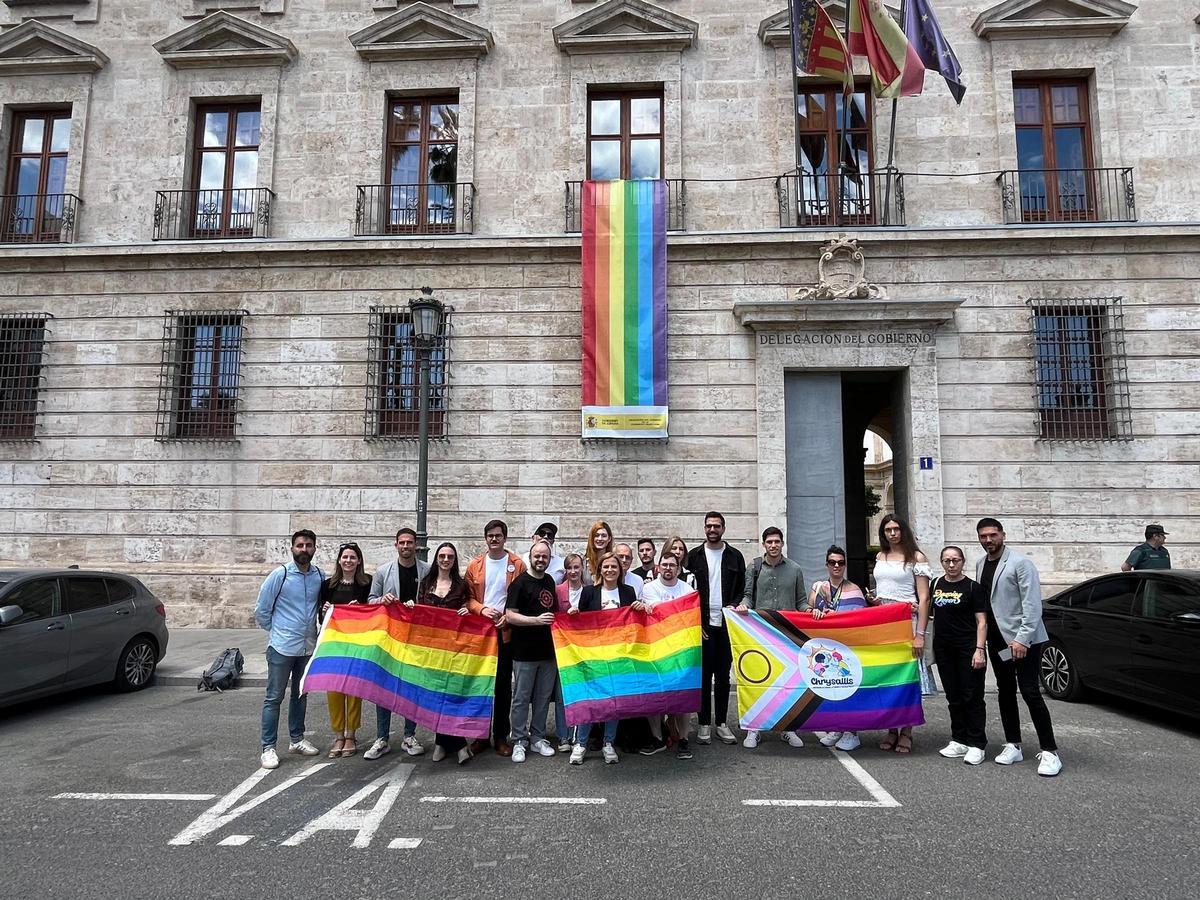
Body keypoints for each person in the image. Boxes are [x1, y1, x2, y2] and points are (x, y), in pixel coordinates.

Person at [976, 517, 1062, 777]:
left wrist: (1022, 639)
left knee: (1030, 692)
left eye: (992, 535)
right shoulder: (981, 564)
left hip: (1024, 641)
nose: (988, 540)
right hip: (999, 641)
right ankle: (1013, 744)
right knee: (1005, 691)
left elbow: (1033, 605)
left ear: (1003, 534)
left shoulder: (1021, 563)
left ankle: (1050, 751)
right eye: (983, 536)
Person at [254, 529, 324, 769]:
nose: (304, 550)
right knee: (274, 697)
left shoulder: (319, 576)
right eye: (300, 545)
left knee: (301, 695)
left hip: (307, 647)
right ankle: (268, 747)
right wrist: (277, 631)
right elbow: (262, 610)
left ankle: (297, 739)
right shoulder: (280, 575)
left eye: (308, 545)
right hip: (282, 647)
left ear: (315, 548)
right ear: (292, 548)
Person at [735, 527, 807, 751]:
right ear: (764, 544)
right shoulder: (754, 567)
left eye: (777, 541)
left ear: (782, 544)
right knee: (759, 679)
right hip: (761, 632)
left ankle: (788, 728)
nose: (773, 545)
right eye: (769, 542)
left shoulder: (795, 569)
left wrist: (810, 611)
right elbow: (748, 595)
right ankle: (754, 728)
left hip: (787, 634)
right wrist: (744, 605)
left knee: (789, 683)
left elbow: (801, 600)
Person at [407, 542, 476, 765]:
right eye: (442, 556)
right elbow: (420, 611)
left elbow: (469, 607)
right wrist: (411, 607)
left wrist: (466, 610)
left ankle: (443, 744)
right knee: (436, 695)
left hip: (455, 649)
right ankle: (457, 745)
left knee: (452, 695)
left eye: (450, 557)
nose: (446, 560)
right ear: (437, 558)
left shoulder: (461, 585)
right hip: (431, 649)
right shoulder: (426, 583)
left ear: (454, 561)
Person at [364, 528, 429, 761]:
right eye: (402, 542)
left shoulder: (427, 570)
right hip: (390, 637)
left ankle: (409, 735)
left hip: (415, 638)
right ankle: (382, 738)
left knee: (411, 687)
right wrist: (383, 600)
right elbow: (371, 600)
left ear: (415, 545)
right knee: (385, 686)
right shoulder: (383, 571)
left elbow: (431, 602)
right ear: (396, 545)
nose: (406, 546)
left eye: (410, 542)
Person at [568, 552, 637, 764]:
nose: (609, 570)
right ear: (600, 570)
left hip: (619, 656)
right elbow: (581, 621)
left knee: (613, 701)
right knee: (590, 699)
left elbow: (634, 622)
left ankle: (608, 743)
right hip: (594, 655)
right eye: (606, 567)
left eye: (614, 567)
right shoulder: (589, 592)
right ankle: (580, 743)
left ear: (620, 570)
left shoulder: (628, 592)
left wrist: (641, 608)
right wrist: (573, 613)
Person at [466, 519, 526, 756]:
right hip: (481, 632)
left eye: (498, 535)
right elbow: (468, 598)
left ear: (505, 537)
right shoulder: (475, 565)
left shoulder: (517, 564)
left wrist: (509, 617)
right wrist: (482, 610)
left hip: (505, 631)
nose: (494, 539)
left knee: (502, 686)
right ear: (485, 538)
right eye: (490, 536)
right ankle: (480, 735)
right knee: (482, 685)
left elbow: (522, 597)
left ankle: (501, 736)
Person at [872, 514, 932, 754]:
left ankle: (906, 731)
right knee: (889, 677)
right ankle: (891, 728)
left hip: (907, 620)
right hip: (883, 620)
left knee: (907, 678)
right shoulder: (880, 555)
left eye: (896, 529)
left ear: (903, 530)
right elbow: (884, 587)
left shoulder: (916, 557)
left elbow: (924, 597)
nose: (892, 533)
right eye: (888, 530)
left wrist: (920, 634)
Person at [925, 546, 988, 766]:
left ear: (963, 562)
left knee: (972, 696)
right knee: (953, 696)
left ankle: (977, 743)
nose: (951, 565)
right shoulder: (936, 584)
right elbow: (928, 612)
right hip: (944, 650)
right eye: (947, 561)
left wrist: (980, 650)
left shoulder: (973, 587)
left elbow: (982, 621)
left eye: (956, 560)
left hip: (968, 649)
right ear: (941, 562)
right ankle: (959, 739)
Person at [686, 511, 746, 746]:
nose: (713, 530)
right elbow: (687, 593)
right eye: (709, 526)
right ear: (704, 528)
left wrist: (733, 606)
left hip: (726, 626)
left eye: (717, 526)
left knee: (722, 676)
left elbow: (741, 589)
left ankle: (721, 723)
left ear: (723, 528)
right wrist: (695, 623)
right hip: (702, 627)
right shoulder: (694, 556)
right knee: (703, 677)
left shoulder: (735, 556)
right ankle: (703, 724)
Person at [808, 544, 871, 752]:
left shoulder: (854, 590)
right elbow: (809, 612)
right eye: (833, 562)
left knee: (848, 689)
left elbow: (860, 620)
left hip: (847, 649)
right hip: (825, 648)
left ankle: (851, 732)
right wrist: (814, 611)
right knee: (831, 690)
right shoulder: (818, 587)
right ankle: (837, 727)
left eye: (841, 563)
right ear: (827, 565)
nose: (837, 566)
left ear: (845, 566)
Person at [639, 550, 697, 760]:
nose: (668, 568)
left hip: (682, 651)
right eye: (664, 565)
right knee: (653, 695)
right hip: (655, 649)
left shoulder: (688, 589)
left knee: (683, 698)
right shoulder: (648, 589)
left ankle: (683, 739)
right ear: (658, 567)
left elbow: (686, 618)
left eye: (672, 565)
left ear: (678, 568)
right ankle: (657, 738)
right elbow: (660, 613)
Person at [505, 539, 559, 764]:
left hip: (548, 652)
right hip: (524, 652)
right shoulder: (519, 583)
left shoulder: (549, 581)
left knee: (543, 698)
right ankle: (518, 739)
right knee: (521, 698)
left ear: (549, 559)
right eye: (537, 556)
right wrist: (535, 620)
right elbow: (509, 615)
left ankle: (537, 737)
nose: (540, 560)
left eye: (544, 556)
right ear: (530, 556)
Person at [319, 542, 371, 759]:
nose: (348, 561)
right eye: (345, 557)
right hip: (333, 643)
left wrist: (358, 609)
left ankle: (351, 735)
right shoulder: (327, 585)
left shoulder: (367, 584)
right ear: (339, 560)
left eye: (352, 557)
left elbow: (372, 611)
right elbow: (321, 617)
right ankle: (338, 735)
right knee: (334, 690)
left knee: (354, 690)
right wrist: (325, 611)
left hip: (357, 642)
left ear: (358, 561)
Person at [553, 553, 587, 750]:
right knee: (562, 693)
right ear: (565, 570)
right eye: (569, 568)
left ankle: (578, 735)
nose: (573, 571)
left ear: (582, 568)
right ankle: (563, 736)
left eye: (576, 567)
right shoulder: (558, 591)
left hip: (583, 649)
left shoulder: (589, 591)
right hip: (563, 648)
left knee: (581, 692)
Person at [584, 520, 615, 584]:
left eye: (603, 536)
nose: (600, 539)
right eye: (596, 535)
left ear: (609, 539)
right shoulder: (583, 562)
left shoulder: (614, 562)